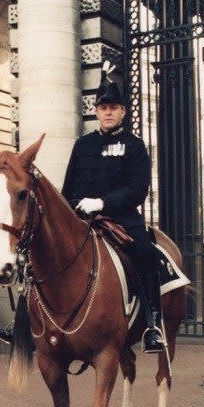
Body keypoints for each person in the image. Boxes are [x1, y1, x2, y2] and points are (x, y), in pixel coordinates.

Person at [61, 62, 164, 353]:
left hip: (121, 219)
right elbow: (69, 188)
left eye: (113, 107)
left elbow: (137, 188)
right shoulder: (83, 145)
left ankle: (153, 324)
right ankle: (33, 322)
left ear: (123, 112)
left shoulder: (134, 145)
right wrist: (74, 206)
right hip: (83, 220)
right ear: (95, 111)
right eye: (103, 107)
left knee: (145, 253)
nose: (107, 112)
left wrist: (104, 202)